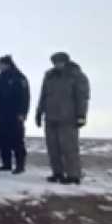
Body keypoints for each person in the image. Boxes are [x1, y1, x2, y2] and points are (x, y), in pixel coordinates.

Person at [36, 52, 90, 184]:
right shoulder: (49, 76)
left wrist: (81, 116)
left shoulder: (76, 76)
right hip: (50, 117)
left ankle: (73, 175)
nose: (57, 64)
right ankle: (57, 173)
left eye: (59, 62)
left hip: (68, 118)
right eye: (54, 62)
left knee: (69, 148)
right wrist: (39, 112)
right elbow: (43, 96)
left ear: (66, 62)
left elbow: (82, 98)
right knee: (53, 147)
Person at [0, 55, 31, 174]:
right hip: (2, 113)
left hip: (15, 114)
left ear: (7, 64)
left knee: (17, 140)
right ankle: (6, 164)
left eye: (1, 65)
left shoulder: (19, 77)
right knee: (3, 139)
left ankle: (20, 165)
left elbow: (26, 97)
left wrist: (23, 113)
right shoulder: (1, 77)